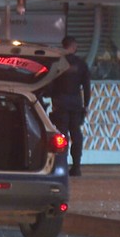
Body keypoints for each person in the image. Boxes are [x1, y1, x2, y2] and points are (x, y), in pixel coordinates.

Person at [49, 36, 91, 176]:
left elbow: (50, 83)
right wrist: (86, 105)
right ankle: (77, 165)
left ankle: (62, 164)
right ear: (74, 46)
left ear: (63, 46)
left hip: (60, 103)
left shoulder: (58, 62)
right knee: (76, 134)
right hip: (76, 103)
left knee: (62, 134)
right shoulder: (81, 64)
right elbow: (86, 86)